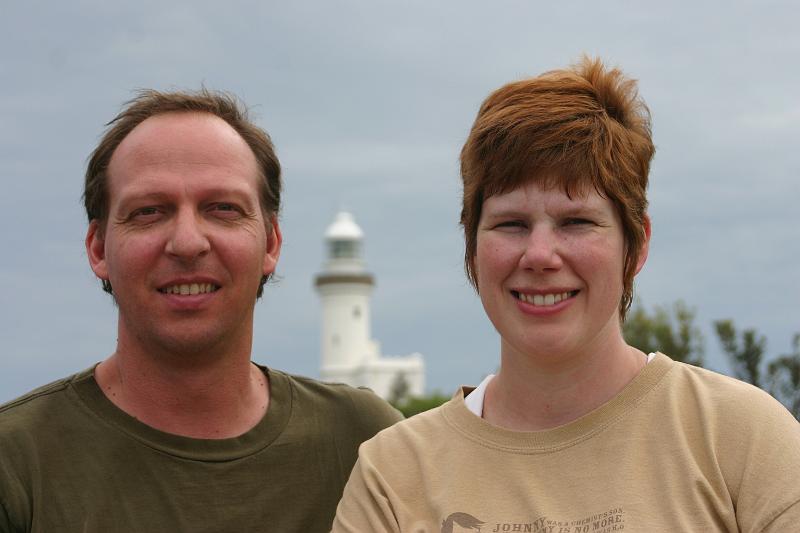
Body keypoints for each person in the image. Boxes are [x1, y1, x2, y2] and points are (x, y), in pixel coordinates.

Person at [332, 57, 800, 532]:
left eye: (576, 222)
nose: (540, 255)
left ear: (636, 244)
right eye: (510, 224)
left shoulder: (741, 436)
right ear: (472, 250)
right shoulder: (392, 477)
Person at [0, 89, 402, 532]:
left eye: (223, 209)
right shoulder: (15, 462)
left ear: (271, 244)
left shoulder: (366, 442)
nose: (188, 242)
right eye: (149, 211)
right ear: (98, 249)